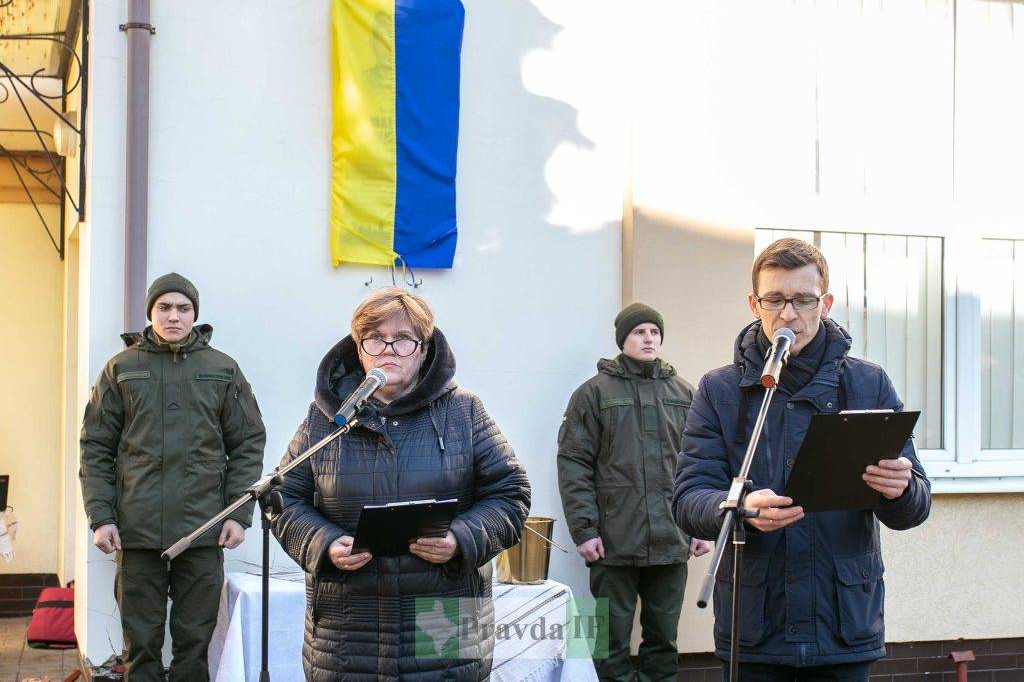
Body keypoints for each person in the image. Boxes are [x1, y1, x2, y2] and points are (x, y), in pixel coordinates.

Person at [673, 239, 931, 681]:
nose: (788, 314)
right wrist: (740, 510)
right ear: (755, 304)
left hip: (843, 626)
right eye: (774, 299)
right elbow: (688, 499)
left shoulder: (868, 383)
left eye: (803, 300)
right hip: (756, 628)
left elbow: (916, 506)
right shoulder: (720, 391)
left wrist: (901, 489)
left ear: (825, 304)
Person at [272, 287, 531, 681]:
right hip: (348, 626)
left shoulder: (465, 412)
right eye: (375, 338)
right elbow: (283, 497)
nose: (388, 349)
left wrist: (461, 539)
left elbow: (511, 495)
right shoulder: (326, 420)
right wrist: (322, 543)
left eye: (404, 339)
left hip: (443, 616)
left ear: (425, 349)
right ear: (359, 350)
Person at [79, 272, 266, 681]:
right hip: (136, 529)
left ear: (195, 315)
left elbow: (249, 442)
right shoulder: (122, 368)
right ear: (151, 313)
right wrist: (101, 516)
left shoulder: (221, 369)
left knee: (194, 643)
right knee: (141, 644)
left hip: (203, 529)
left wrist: (238, 513)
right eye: (164, 307)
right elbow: (95, 446)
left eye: (183, 308)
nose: (174, 316)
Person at [557, 302, 711, 682]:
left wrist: (700, 526)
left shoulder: (683, 392)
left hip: (671, 539)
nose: (649, 339)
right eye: (640, 332)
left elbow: (703, 462)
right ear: (623, 339)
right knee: (609, 641)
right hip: (613, 541)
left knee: (663, 640)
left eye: (655, 332)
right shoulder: (593, 393)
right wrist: (584, 530)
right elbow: (573, 463)